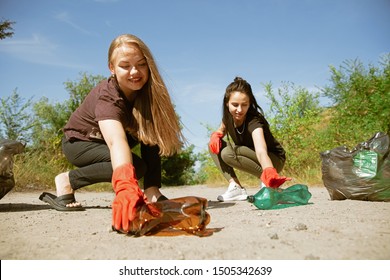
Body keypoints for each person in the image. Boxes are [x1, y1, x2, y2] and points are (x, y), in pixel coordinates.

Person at [39, 34, 184, 233]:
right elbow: (116, 141)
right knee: (136, 166)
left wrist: (150, 188)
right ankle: (67, 180)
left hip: (106, 144)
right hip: (79, 143)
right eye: (125, 66)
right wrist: (125, 185)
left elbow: (149, 140)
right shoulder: (108, 96)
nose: (135, 71)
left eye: (141, 64)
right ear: (112, 68)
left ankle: (152, 191)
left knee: (150, 129)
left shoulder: (147, 94)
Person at [209, 77, 291, 202]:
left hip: (273, 160)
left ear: (250, 103)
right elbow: (221, 129)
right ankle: (236, 187)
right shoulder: (228, 117)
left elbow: (261, 150)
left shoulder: (254, 121)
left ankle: (268, 182)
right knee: (213, 144)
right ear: (227, 103)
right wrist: (216, 134)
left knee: (228, 153)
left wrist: (269, 171)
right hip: (252, 155)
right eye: (235, 105)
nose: (239, 110)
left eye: (244, 105)